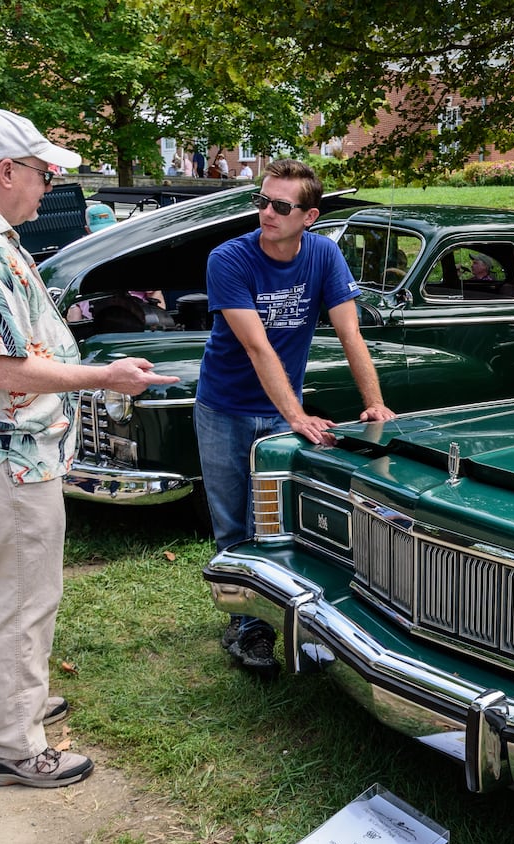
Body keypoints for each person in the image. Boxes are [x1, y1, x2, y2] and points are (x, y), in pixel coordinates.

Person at [0, 107, 178, 788]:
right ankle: (13, 746)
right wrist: (104, 376)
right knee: (20, 595)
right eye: (43, 172)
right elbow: (0, 370)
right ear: (5, 170)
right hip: (2, 446)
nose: (47, 185)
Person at [196, 158, 396, 676]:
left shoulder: (326, 255)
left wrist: (374, 402)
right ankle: (247, 627)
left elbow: (351, 335)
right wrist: (297, 415)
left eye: (280, 206)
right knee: (234, 523)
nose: (266, 212)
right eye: (262, 201)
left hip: (282, 407)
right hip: (225, 407)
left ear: (309, 216)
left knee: (286, 520)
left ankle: (297, 614)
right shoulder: (229, 258)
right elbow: (258, 346)